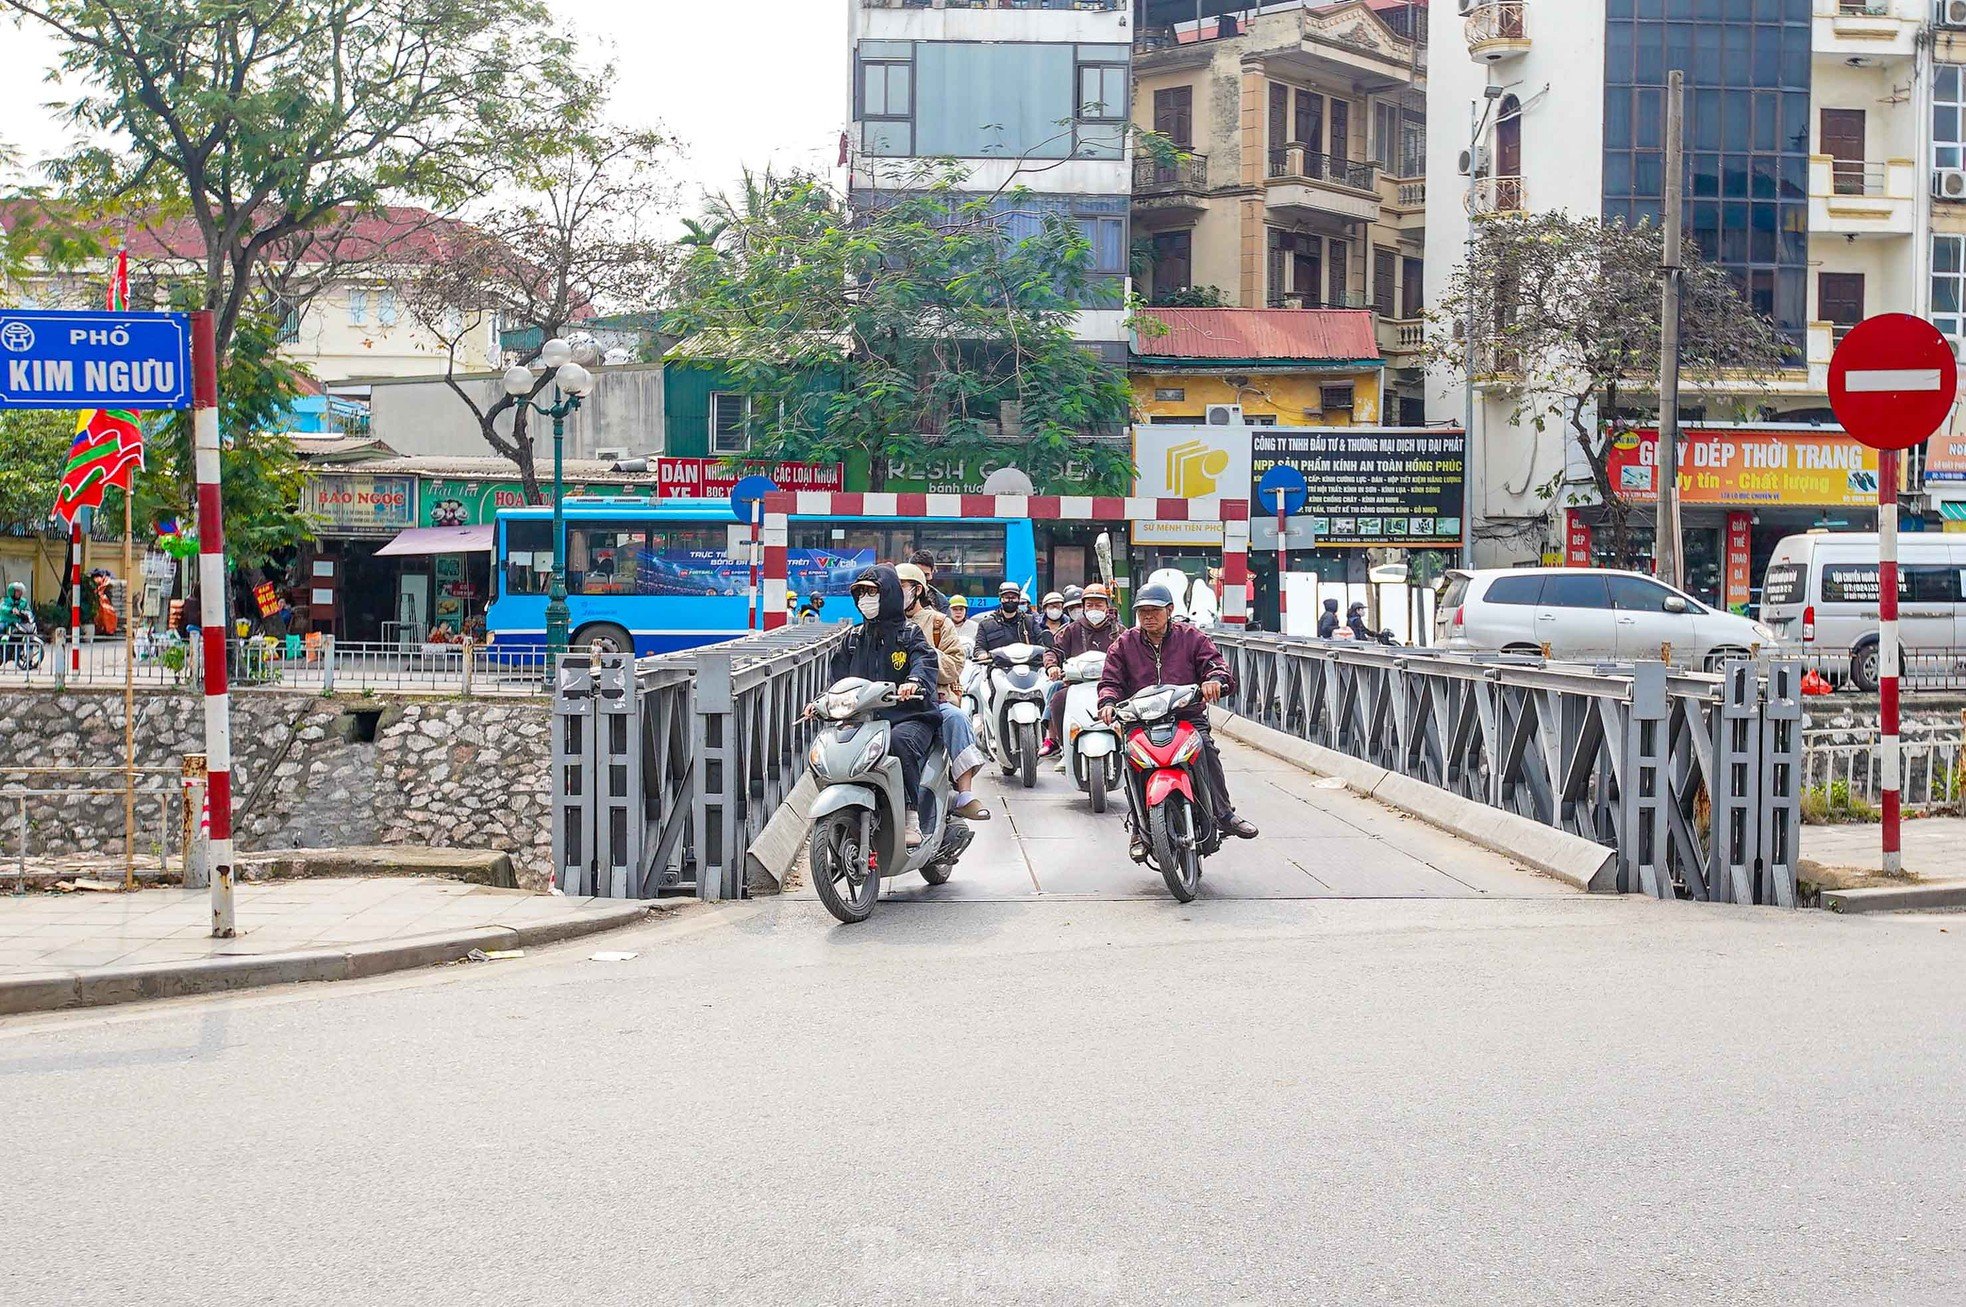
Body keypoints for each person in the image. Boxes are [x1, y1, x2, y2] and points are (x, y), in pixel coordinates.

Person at [1098, 581, 1259, 857]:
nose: (1148, 616)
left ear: (1170, 610)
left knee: (1206, 750)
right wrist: (1108, 702)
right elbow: (1110, 681)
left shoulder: (1192, 637)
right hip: (1140, 722)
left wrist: (1214, 681)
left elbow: (1217, 666)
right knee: (1131, 762)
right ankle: (1139, 827)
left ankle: (1223, 814)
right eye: (1142, 611)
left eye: (1154, 610)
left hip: (1186, 717)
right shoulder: (1124, 644)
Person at [821, 565, 940, 846]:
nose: (865, 599)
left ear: (887, 594)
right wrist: (820, 702)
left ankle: (912, 814)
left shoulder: (909, 634)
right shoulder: (853, 639)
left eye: (872, 592)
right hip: (864, 721)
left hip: (909, 716)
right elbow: (836, 679)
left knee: (900, 742)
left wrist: (914, 682)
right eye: (860, 593)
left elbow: (924, 662)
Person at [897, 564, 990, 820]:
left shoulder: (938, 623)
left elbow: (955, 665)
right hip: (891, 702)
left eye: (901, 586)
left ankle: (964, 793)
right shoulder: (883, 623)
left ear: (917, 590)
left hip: (932, 699)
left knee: (956, 718)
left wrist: (923, 654)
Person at [1043, 581, 1120, 767]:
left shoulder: (1118, 631)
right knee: (1058, 699)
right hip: (1076, 684)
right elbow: (1053, 650)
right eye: (1090, 605)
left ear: (1107, 606)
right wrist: (1052, 666)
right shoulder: (1071, 630)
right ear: (1083, 607)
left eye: (1099, 604)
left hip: (1111, 685)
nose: (1094, 609)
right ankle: (1063, 746)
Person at [974, 580, 1048, 659]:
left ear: (1019, 599)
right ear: (1001, 599)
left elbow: (1042, 642)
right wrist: (982, 654)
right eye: (1007, 598)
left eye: (1013, 598)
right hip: (997, 667)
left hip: (1028, 667)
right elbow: (979, 648)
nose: (1010, 600)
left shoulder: (1029, 621)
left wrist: (1046, 651)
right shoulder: (986, 624)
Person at [908, 549, 951, 615]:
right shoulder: (898, 596)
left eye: (925, 575)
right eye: (918, 574)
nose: (922, 579)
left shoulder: (941, 602)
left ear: (932, 572)